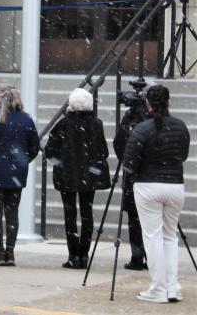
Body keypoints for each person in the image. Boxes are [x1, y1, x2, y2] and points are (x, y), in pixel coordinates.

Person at [122, 84, 190, 304]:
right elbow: (184, 155)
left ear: (147, 104)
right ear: (168, 102)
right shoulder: (180, 127)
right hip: (175, 186)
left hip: (148, 185)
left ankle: (158, 287)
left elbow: (129, 163)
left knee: (153, 237)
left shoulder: (142, 129)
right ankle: (172, 286)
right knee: (170, 237)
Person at [43, 87, 110, 269]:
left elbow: (49, 150)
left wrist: (61, 161)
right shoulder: (97, 124)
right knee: (87, 214)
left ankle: (73, 255)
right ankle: (84, 254)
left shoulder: (63, 125)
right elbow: (103, 151)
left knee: (70, 214)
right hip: (89, 176)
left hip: (67, 175)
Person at [0, 83, 40, 267]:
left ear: (0, 97)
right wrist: (22, 161)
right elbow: (34, 146)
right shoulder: (26, 120)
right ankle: (10, 252)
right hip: (16, 172)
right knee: (12, 213)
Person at [114, 86, 149, 271]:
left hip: (134, 176)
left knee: (134, 219)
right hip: (147, 176)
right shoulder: (151, 119)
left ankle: (137, 256)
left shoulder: (132, 120)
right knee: (150, 220)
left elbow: (119, 143)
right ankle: (150, 257)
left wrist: (128, 160)